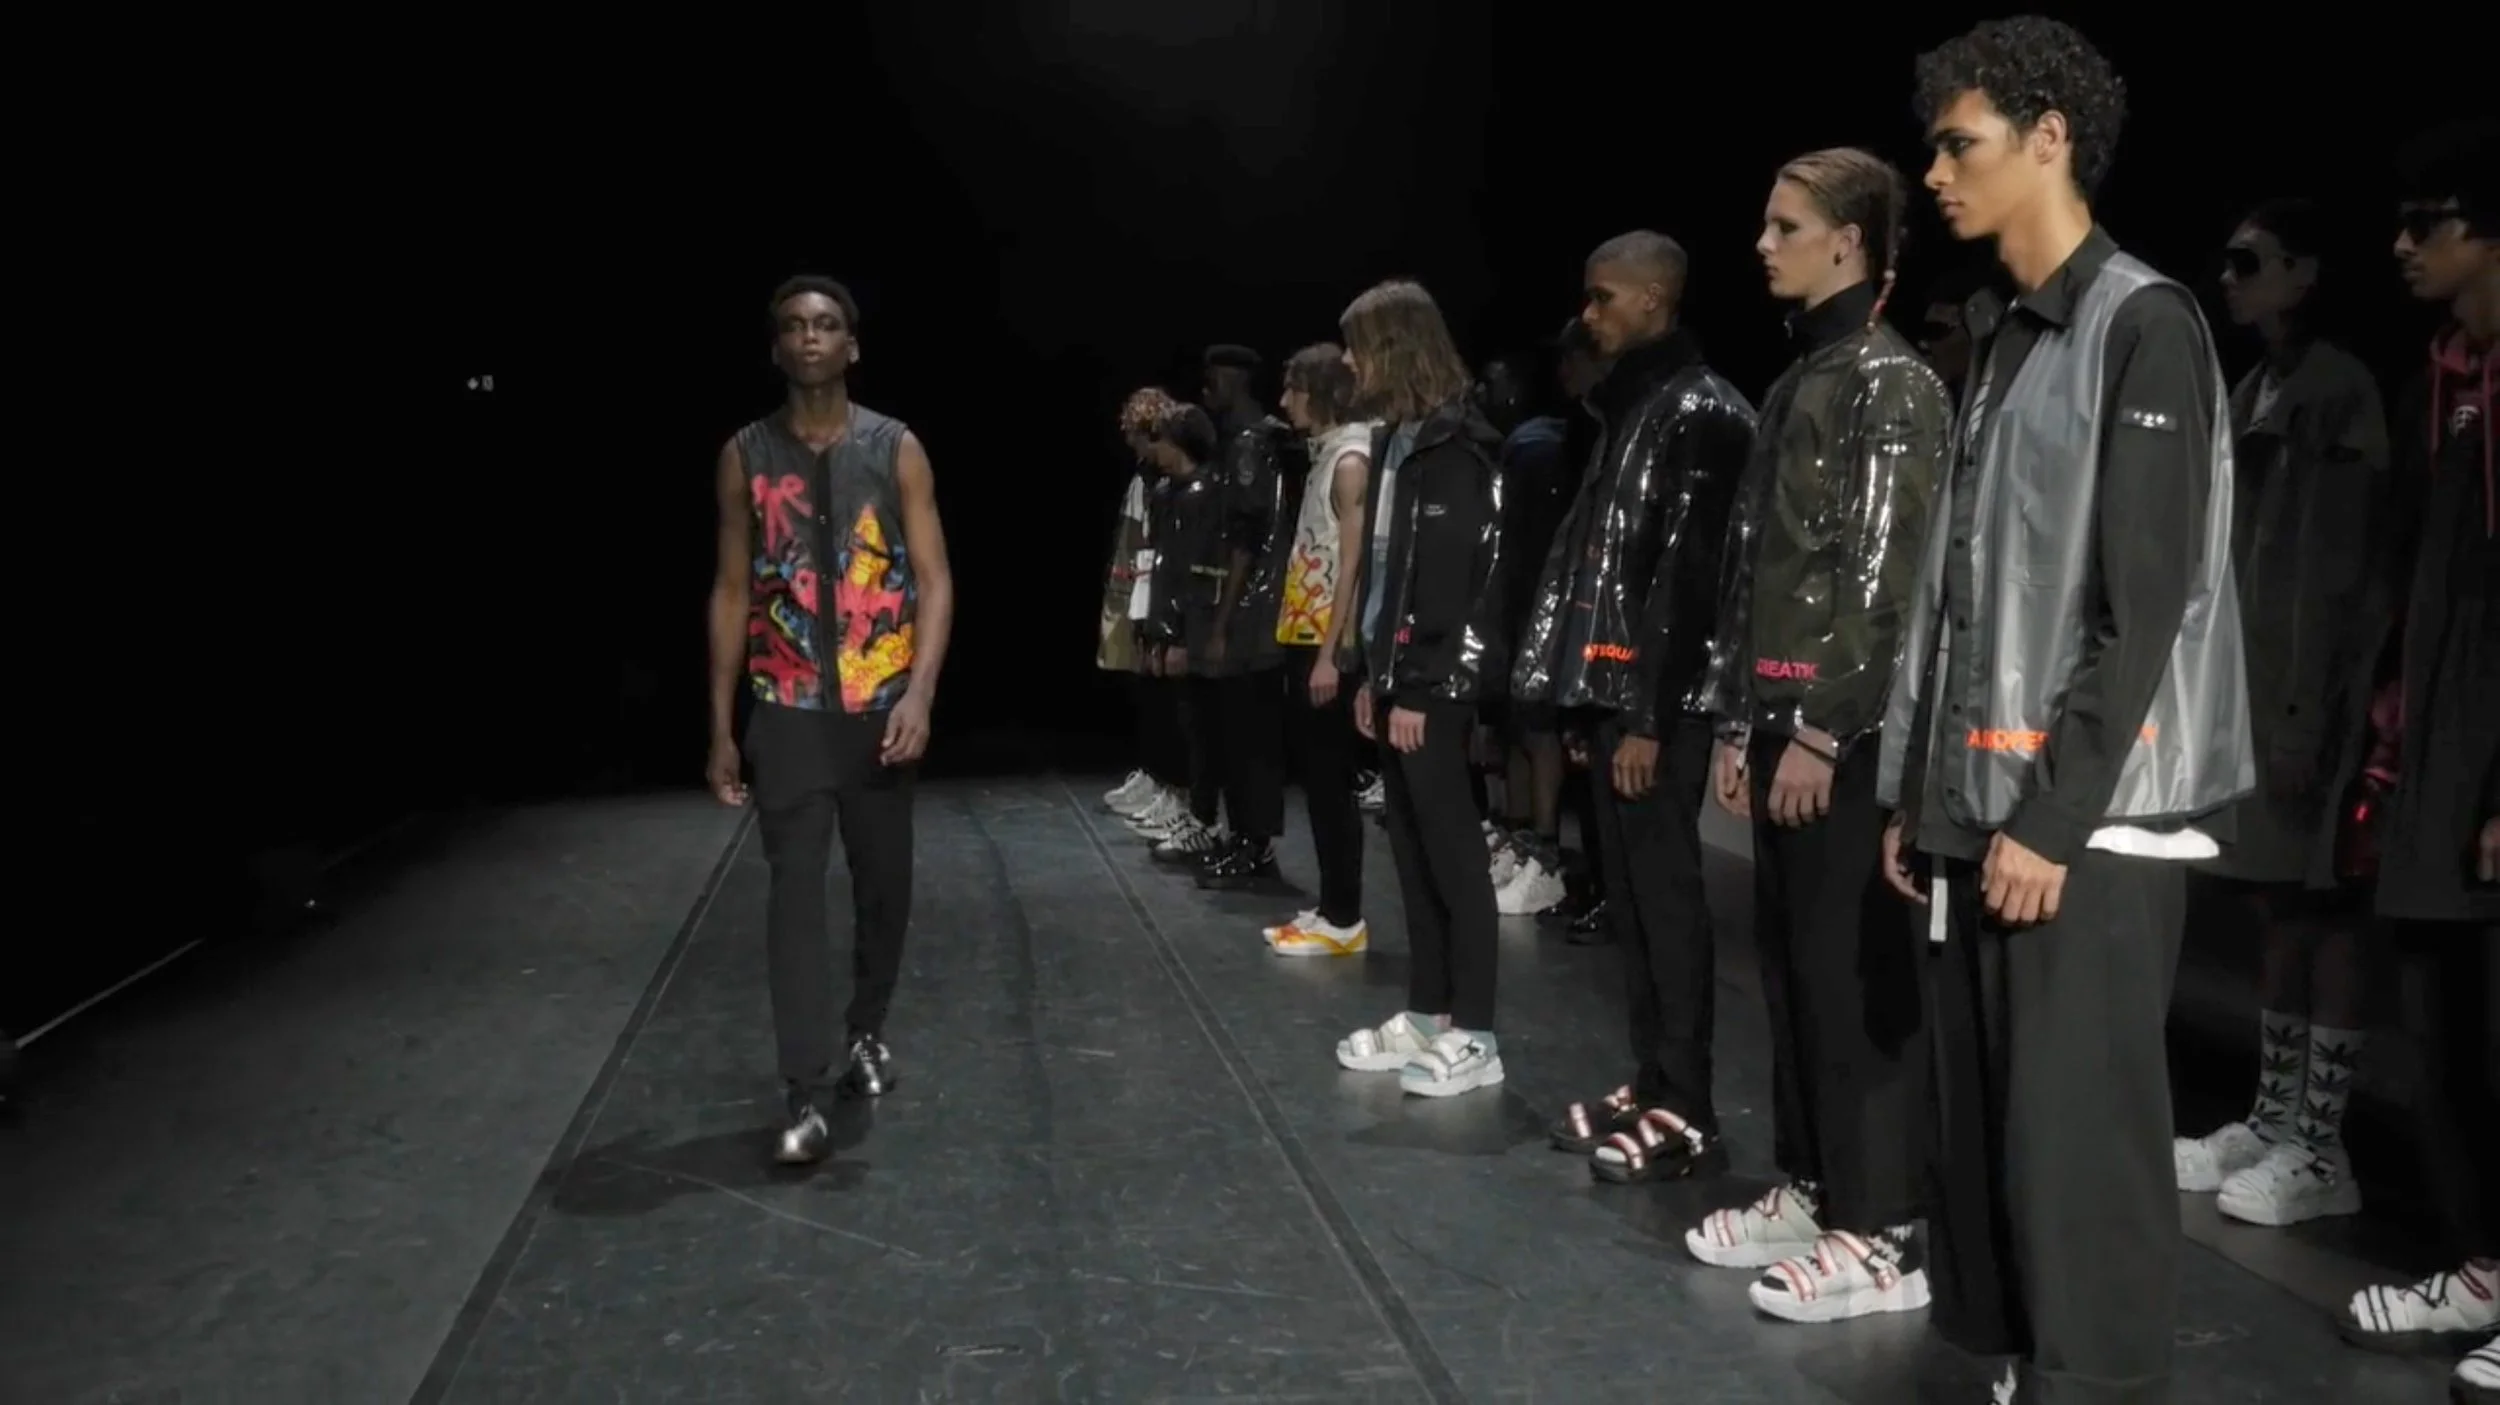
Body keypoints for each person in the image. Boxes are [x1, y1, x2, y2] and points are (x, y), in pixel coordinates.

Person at [1882, 20, 2251, 1402]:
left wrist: (2049, 818)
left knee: (2078, 1152)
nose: (1934, 173)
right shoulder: (2006, 338)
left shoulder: (2141, 323)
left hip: (2081, 828)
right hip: (1986, 815)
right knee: (1992, 1146)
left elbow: (2142, 607)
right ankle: (2029, 1371)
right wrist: (1925, 800)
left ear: (2049, 139)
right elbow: (1971, 591)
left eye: (1957, 144)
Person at [1690, 147, 1951, 1325]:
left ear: (1847, 240)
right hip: (1781, 718)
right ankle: (1813, 1186)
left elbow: (1884, 579)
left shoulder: (1889, 385)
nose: (1762, 243)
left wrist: (1822, 728)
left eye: (1783, 224)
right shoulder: (1807, 376)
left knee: (1851, 977)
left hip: (1842, 739)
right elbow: (1761, 568)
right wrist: (1740, 719)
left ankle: (1882, 1227)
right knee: (1794, 968)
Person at [1515, 231, 1757, 1179]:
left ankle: (1687, 1107)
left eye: (1603, 296)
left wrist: (1649, 718)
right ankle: (1655, 1079)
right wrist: (1590, 701)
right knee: (1633, 899)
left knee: (1664, 898)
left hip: (1662, 705)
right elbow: (1608, 568)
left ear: (1654, 299)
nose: (1589, 314)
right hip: (1620, 697)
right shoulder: (1634, 409)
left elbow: (1690, 581)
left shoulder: (1704, 413)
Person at [2174, 197, 2393, 1229]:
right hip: (2264, 691)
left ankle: (2319, 1139)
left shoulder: (2341, 391)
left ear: (2305, 273)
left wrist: (2310, 713)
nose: (2228, 277)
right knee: (2276, 902)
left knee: (2325, 905)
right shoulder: (2262, 381)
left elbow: (2333, 565)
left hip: (2321, 698)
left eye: (2248, 260)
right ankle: (2274, 1120)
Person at [706, 275, 957, 1166]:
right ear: (776, 347)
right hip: (786, 711)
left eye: (825, 324)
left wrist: (920, 693)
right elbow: (731, 588)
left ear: (852, 344)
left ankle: (865, 1032)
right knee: (794, 899)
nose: (809, 337)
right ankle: (802, 1087)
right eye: (793, 326)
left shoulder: (895, 448)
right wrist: (721, 724)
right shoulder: (745, 454)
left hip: (880, 708)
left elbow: (934, 579)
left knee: (884, 888)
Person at [2334, 116, 2499, 1404]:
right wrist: (2385, 755)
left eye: (2425, 222)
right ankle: (2483, 1261)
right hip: (2435, 764)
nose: (2400, 244)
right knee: (2443, 1029)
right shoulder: (2438, 381)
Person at [1329, 279, 1512, 1098]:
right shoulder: (1398, 439)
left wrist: (1424, 687)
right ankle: (1429, 1011)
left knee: (1454, 855)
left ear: (1394, 346)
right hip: (1398, 676)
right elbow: (1389, 574)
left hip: (1433, 686)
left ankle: (1476, 1031)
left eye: (1358, 345)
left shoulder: (1459, 446)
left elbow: (1454, 583)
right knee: (1409, 851)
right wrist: (1375, 674)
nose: (1348, 362)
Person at [1266, 343, 1378, 955]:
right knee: (1318, 778)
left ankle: (1344, 917)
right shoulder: (1329, 454)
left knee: (1331, 780)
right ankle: (1334, 906)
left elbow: (1354, 567)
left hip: (1324, 641)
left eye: (1295, 389)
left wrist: (1333, 654)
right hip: (1307, 632)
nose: (1285, 401)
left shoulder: (1350, 461)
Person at [1477, 336, 1584, 917]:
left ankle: (1544, 853)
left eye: (1493, 384)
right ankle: (1519, 838)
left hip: (1535, 608)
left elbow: (1533, 545)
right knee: (1514, 724)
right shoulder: (1518, 447)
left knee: (1537, 727)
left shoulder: (1539, 448)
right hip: (1515, 606)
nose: (1483, 394)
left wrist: (1530, 616)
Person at [1196, 345, 1309, 888]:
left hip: (1256, 608)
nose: (1206, 390)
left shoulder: (1250, 443)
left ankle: (1254, 843)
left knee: (1248, 732)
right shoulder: (1263, 439)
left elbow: (1246, 537)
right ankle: (1246, 836)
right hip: (1265, 604)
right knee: (1243, 731)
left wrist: (1222, 622)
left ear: (1231, 381)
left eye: (1214, 380)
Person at [1130, 397, 1233, 864]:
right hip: (1174, 623)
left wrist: (1179, 636)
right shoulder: (1171, 492)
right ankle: (1196, 812)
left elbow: (1196, 574)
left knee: (1204, 729)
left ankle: (1205, 818)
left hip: (1195, 626)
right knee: (1190, 724)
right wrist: (1156, 629)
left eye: (1162, 441)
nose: (1156, 451)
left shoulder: (1205, 494)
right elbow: (1163, 568)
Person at [1105, 390, 1195, 834]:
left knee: (1168, 697)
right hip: (1140, 585)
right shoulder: (1147, 477)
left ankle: (1176, 790)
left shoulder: (1171, 483)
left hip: (1159, 591)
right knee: (1146, 687)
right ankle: (1156, 775)